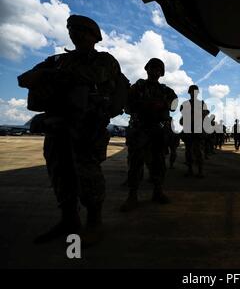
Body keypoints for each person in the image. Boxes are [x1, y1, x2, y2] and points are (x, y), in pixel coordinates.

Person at [17, 14, 129, 244]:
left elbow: (92, 76)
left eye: (81, 29)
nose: (74, 32)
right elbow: (24, 79)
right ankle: (68, 219)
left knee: (88, 176)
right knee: (60, 174)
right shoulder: (57, 60)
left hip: (87, 128)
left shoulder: (104, 60)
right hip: (57, 126)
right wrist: (43, 74)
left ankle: (94, 223)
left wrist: (47, 74)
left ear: (94, 36)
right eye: (71, 28)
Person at [120, 58, 178, 212]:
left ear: (162, 73)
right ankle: (132, 196)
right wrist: (143, 105)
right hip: (140, 129)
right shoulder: (138, 86)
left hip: (157, 131)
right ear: (147, 69)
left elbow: (174, 104)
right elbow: (127, 104)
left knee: (159, 162)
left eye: (159, 69)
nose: (156, 71)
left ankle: (157, 192)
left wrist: (162, 104)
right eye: (153, 68)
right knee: (135, 163)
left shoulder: (166, 90)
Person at [180, 85, 207, 177]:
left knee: (198, 151)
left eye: (195, 91)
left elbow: (204, 115)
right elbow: (183, 118)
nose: (193, 93)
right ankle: (190, 169)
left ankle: (200, 171)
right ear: (189, 92)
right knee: (189, 151)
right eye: (192, 91)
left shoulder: (201, 103)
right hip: (189, 130)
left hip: (197, 130)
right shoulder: (185, 104)